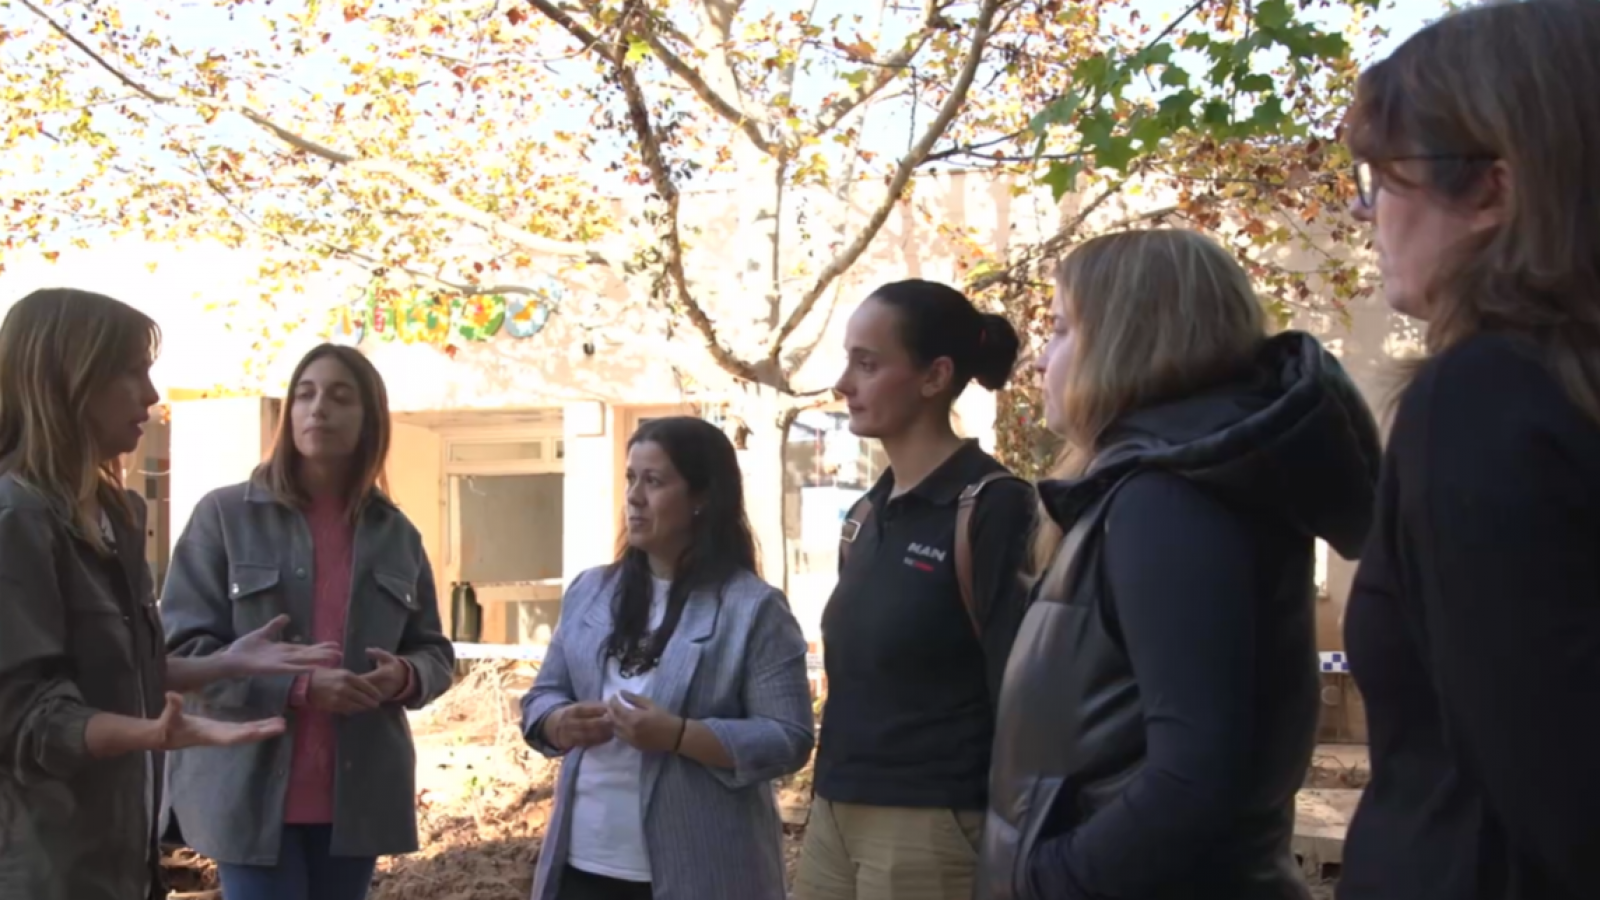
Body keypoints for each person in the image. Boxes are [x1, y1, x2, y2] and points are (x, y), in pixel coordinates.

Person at [976, 229, 1381, 900]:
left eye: (1059, 329)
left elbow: (1195, 779)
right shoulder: (1145, 491)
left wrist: (1044, 879)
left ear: (1129, 338)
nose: (1038, 361)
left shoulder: (1167, 502)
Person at [1339, 3, 1600, 898]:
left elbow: (1555, 783)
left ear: (1493, 187)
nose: (1369, 211)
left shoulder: (1485, 398)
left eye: (1387, 177)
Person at [0, 288, 342, 900]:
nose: (152, 397)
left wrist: (226, 663)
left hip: (124, 862)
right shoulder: (15, 520)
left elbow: (120, 675)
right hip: (43, 869)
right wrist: (155, 734)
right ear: (69, 380)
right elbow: (30, 721)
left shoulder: (114, 515)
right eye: (132, 372)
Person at [160, 343, 456, 900]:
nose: (318, 408)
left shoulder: (398, 534)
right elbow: (184, 652)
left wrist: (404, 677)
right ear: (288, 413)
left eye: (340, 397)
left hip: (357, 795)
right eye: (305, 394)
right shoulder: (222, 516)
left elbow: (436, 652)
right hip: (246, 790)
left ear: (369, 421)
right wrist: (297, 686)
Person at [794, 280, 1038, 900]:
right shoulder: (866, 516)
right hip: (834, 808)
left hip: (933, 824)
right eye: (849, 360)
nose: (844, 383)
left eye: (867, 364)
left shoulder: (993, 507)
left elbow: (1024, 690)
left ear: (935, 377)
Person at [522, 416, 814, 900]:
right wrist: (557, 722)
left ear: (701, 499)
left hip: (702, 870)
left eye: (654, 481)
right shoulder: (591, 591)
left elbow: (789, 737)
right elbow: (543, 694)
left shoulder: (752, 607)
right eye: (630, 478)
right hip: (582, 862)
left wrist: (680, 735)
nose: (634, 496)